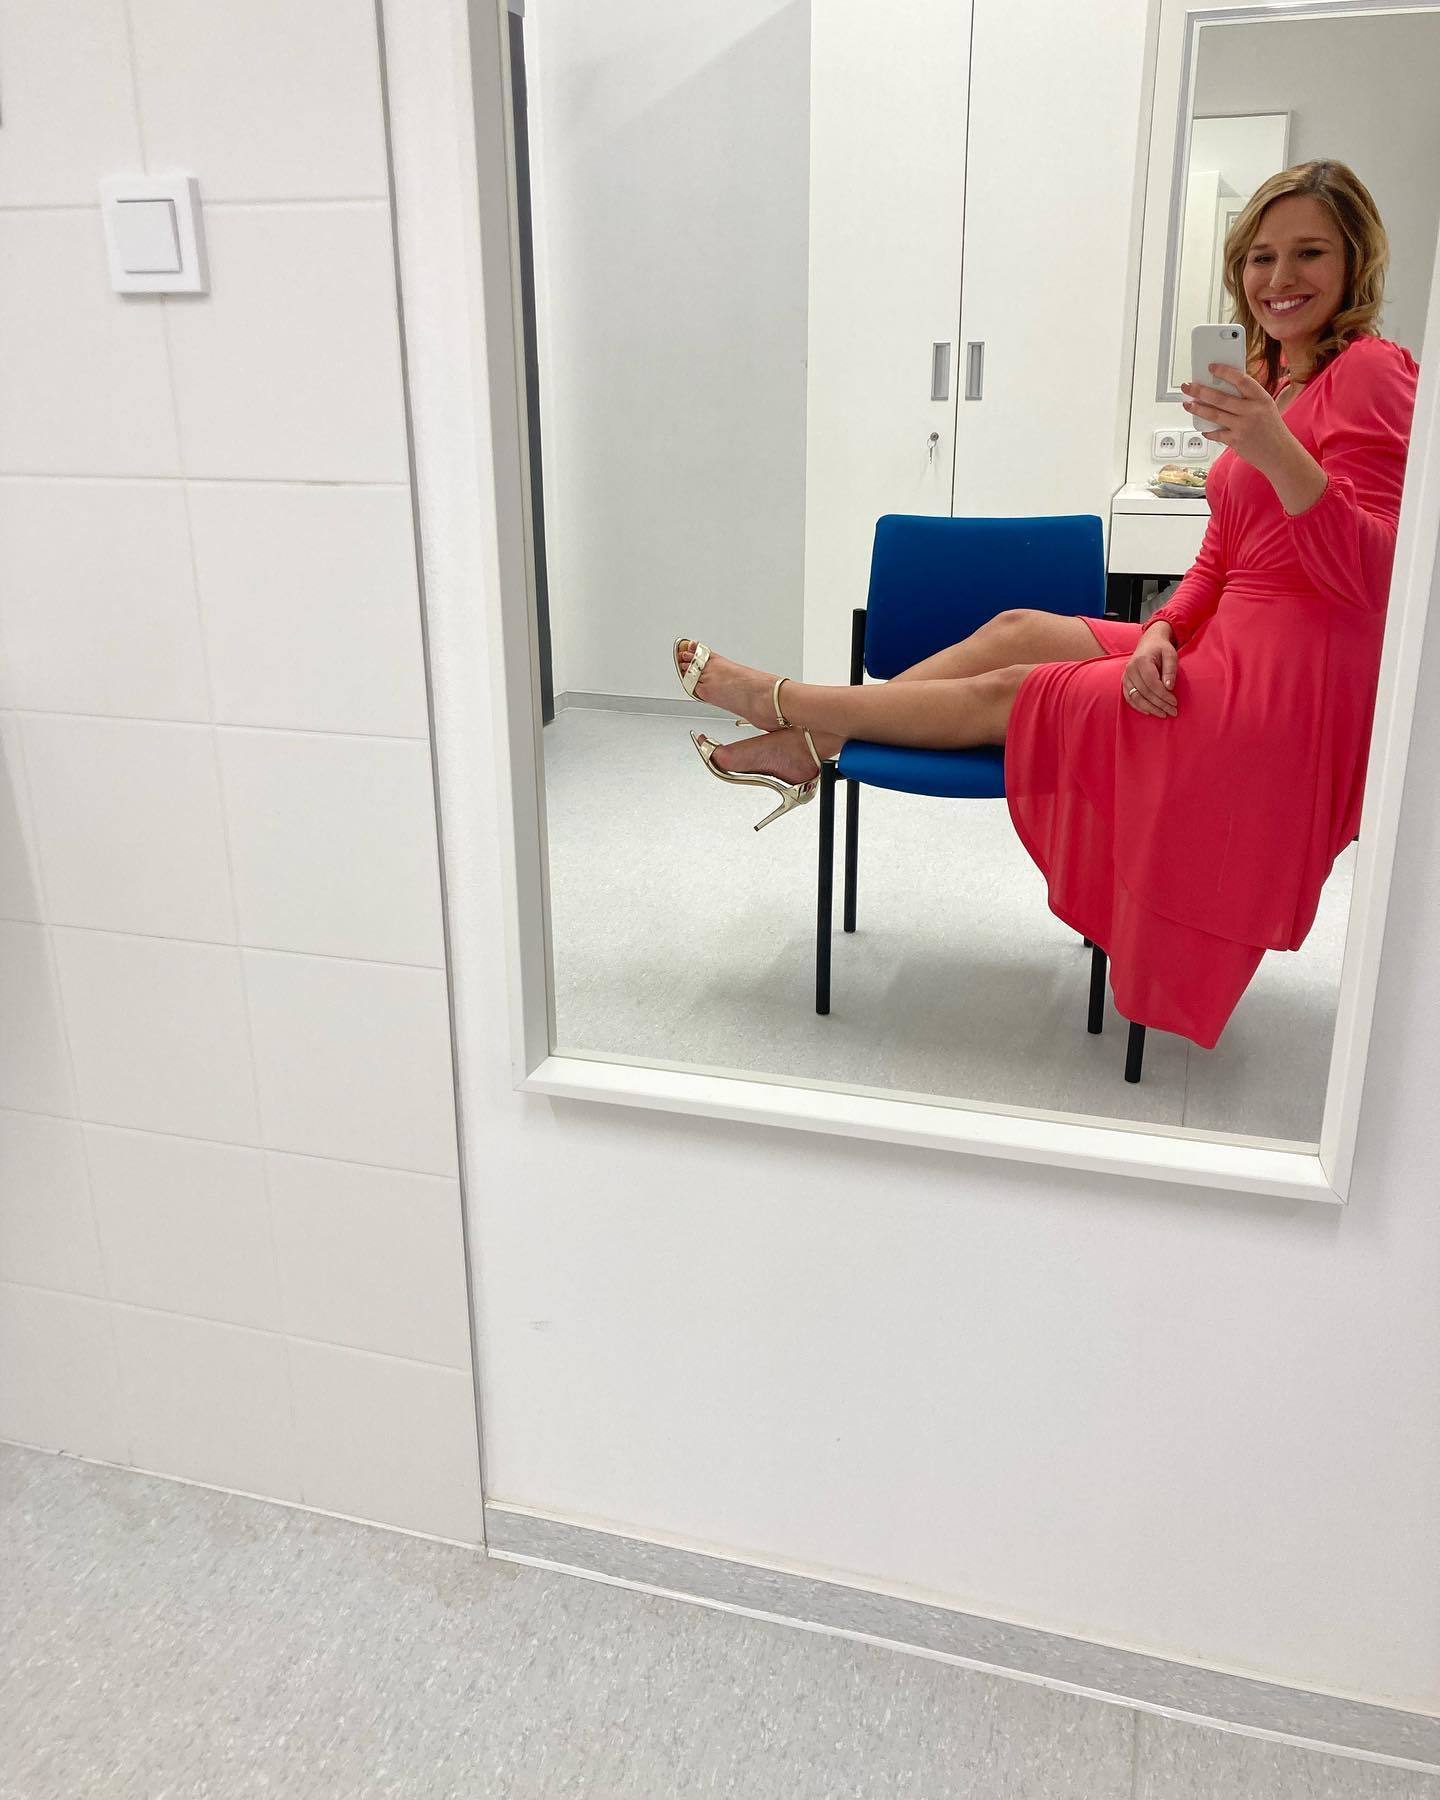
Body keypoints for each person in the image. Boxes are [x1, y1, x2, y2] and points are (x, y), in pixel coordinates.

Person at [673, 159, 1419, 1048]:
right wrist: (1164, 628)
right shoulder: (1269, 374)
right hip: (1224, 634)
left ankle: (788, 708)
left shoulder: (1373, 372)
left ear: (1355, 261)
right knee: (1017, 628)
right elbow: (1220, 555)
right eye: (1261, 256)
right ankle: (812, 745)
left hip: (1290, 677)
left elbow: (1383, 574)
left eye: (1309, 253)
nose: (1280, 278)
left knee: (1018, 687)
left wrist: (1272, 449)